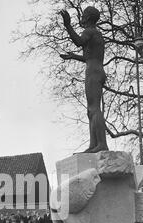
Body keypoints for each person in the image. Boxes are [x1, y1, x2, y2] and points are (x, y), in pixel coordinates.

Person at [59, 6, 108, 153]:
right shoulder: (97, 34)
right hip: (96, 70)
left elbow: (79, 42)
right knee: (90, 110)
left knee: (94, 108)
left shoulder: (90, 31)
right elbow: (89, 57)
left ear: (87, 17)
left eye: (84, 15)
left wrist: (68, 25)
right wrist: (73, 56)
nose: (82, 17)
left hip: (93, 72)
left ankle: (101, 145)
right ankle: (94, 145)